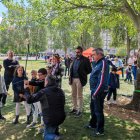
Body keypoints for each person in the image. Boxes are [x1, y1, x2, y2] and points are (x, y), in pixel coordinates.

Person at [24, 74, 66, 140]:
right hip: (61, 117)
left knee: (46, 136)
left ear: (47, 82)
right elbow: (63, 103)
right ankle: (55, 132)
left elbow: (29, 100)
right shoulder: (61, 90)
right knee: (54, 121)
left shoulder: (44, 92)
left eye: (45, 81)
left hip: (51, 119)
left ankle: (55, 137)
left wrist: (26, 89)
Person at [84, 48, 109, 136]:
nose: (92, 56)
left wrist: (95, 93)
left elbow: (101, 81)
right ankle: (93, 124)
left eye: (93, 55)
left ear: (99, 54)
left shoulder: (103, 63)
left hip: (99, 91)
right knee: (93, 108)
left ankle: (100, 130)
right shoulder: (97, 62)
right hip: (95, 89)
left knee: (98, 111)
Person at [68, 46, 92, 117]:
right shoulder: (74, 59)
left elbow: (89, 70)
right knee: (73, 94)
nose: (77, 53)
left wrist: (83, 75)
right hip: (73, 79)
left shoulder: (85, 60)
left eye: (78, 52)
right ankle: (74, 108)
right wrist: (70, 79)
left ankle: (79, 110)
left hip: (80, 79)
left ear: (81, 52)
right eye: (76, 52)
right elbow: (71, 70)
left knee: (79, 95)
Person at [24, 68, 47, 133]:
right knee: (34, 110)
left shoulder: (44, 81)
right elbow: (35, 81)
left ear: (45, 75)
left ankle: (42, 125)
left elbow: (37, 83)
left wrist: (28, 82)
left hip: (41, 99)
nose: (39, 76)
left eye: (40, 75)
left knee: (41, 112)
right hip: (35, 98)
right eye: (38, 75)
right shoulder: (39, 80)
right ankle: (34, 122)